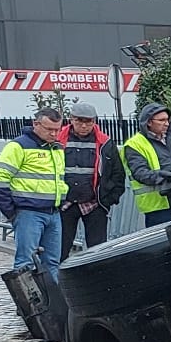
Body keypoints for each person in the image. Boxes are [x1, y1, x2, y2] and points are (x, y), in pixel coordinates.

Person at [0, 108, 67, 278]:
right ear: (35, 124)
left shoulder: (57, 148)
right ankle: (27, 304)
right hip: (29, 212)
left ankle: (52, 303)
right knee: (25, 262)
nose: (54, 133)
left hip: (53, 212)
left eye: (57, 129)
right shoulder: (18, 146)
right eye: (49, 129)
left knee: (52, 262)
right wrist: (10, 212)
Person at [57, 102, 126, 256]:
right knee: (59, 250)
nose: (84, 125)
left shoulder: (105, 142)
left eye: (88, 121)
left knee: (97, 252)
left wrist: (107, 200)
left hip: (95, 204)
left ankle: (96, 279)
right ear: (71, 119)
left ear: (94, 121)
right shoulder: (57, 140)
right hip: (64, 204)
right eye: (79, 121)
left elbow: (117, 174)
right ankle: (56, 279)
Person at [122, 102, 171, 227]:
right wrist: (167, 176)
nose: (167, 124)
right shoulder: (134, 144)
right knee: (162, 245)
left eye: (167, 120)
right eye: (162, 120)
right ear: (149, 122)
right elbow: (141, 174)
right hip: (157, 206)